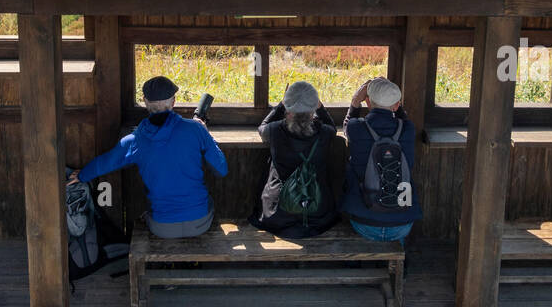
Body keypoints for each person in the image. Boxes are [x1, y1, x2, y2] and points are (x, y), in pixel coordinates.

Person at [70, 76, 228, 238]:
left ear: (145, 101)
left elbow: (106, 162)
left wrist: (82, 175)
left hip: (162, 228)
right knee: (205, 200)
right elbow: (221, 169)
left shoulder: (135, 140)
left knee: (151, 207)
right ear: (173, 102)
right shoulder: (196, 129)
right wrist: (205, 134)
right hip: (200, 223)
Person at [249, 81, 339, 237]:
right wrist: (320, 107)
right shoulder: (324, 133)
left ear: (288, 109)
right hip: (317, 213)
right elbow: (333, 128)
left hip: (278, 213)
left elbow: (262, 127)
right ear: (313, 109)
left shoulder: (274, 130)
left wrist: (281, 105)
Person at [339, 76, 422, 242]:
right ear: (397, 105)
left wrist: (355, 103)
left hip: (364, 223)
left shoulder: (356, 127)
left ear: (368, 102)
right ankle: (400, 261)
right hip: (402, 225)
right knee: (396, 223)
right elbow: (403, 119)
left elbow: (347, 126)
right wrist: (393, 101)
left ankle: (359, 262)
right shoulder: (408, 129)